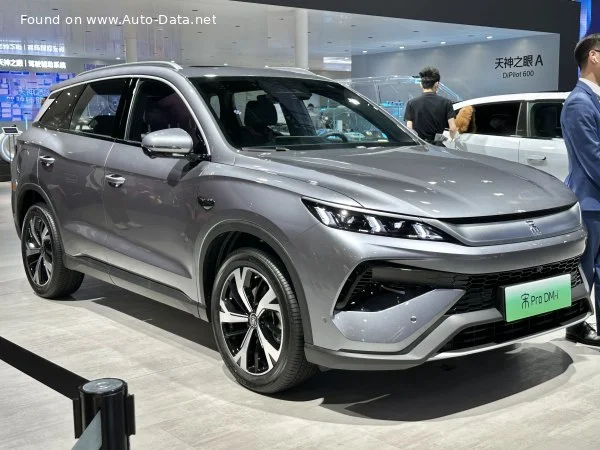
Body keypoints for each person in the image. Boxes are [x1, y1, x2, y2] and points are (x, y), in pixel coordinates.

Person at [561, 33, 600, 346]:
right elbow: (593, 159)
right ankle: (575, 324)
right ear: (594, 56)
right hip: (591, 202)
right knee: (585, 268)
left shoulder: (593, 100)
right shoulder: (578, 103)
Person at [404, 67, 457, 144]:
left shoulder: (411, 103)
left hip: (420, 146)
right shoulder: (446, 103)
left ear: (421, 84)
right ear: (437, 84)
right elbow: (453, 128)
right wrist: (451, 140)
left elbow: (409, 129)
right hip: (437, 146)